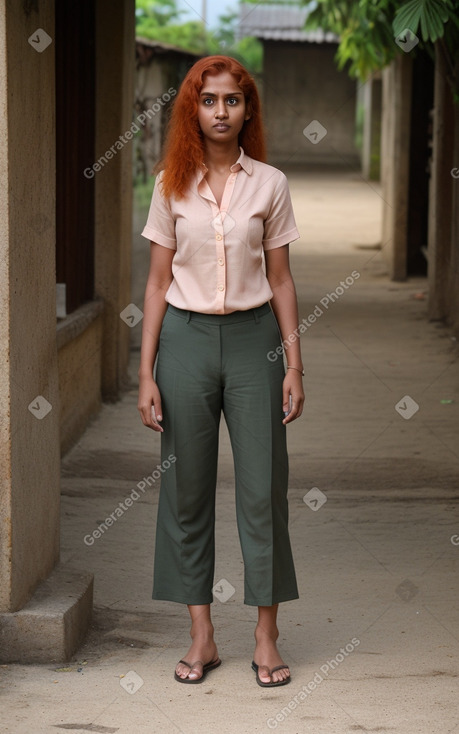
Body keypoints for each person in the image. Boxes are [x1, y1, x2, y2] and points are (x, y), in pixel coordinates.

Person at [137, 55, 304, 688]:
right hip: (185, 342)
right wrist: (146, 372)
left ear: (247, 109)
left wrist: (294, 363)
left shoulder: (270, 184)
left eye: (232, 100)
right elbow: (156, 285)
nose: (221, 111)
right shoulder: (169, 185)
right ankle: (201, 635)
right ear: (192, 109)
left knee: (264, 488)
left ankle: (266, 634)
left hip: (255, 340)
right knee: (187, 491)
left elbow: (283, 279)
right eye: (209, 100)